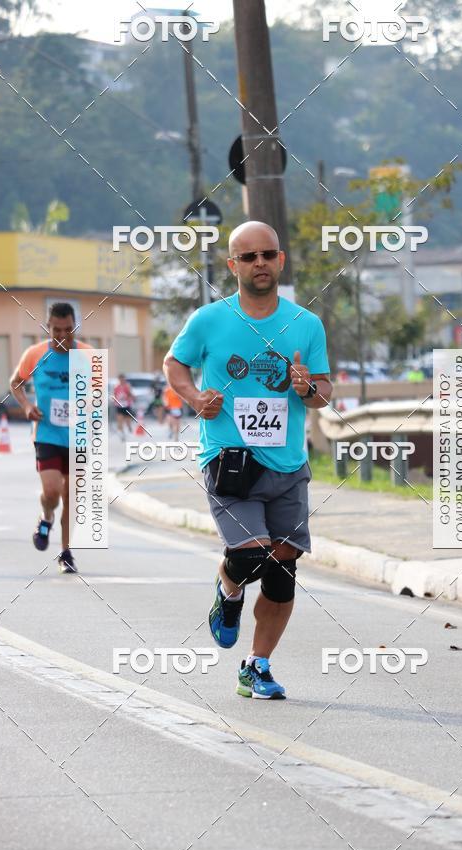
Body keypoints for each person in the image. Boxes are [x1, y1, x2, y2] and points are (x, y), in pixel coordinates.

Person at [165, 221, 332, 700]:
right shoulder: (208, 320)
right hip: (229, 458)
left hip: (288, 465)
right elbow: (174, 364)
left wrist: (308, 389)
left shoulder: (306, 324)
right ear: (232, 265)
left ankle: (256, 666)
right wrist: (195, 397)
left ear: (280, 260)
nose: (259, 263)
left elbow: (323, 391)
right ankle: (229, 587)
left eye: (267, 254)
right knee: (252, 554)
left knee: (281, 572)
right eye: (248, 257)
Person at [10, 302, 91, 574]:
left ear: (75, 327)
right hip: (46, 434)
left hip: (78, 436)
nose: (63, 336)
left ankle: (66, 552)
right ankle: (46, 518)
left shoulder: (89, 355)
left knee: (72, 496)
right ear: (48, 327)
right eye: (57, 330)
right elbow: (15, 383)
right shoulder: (35, 354)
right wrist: (26, 406)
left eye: (68, 330)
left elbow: (99, 394)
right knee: (52, 492)